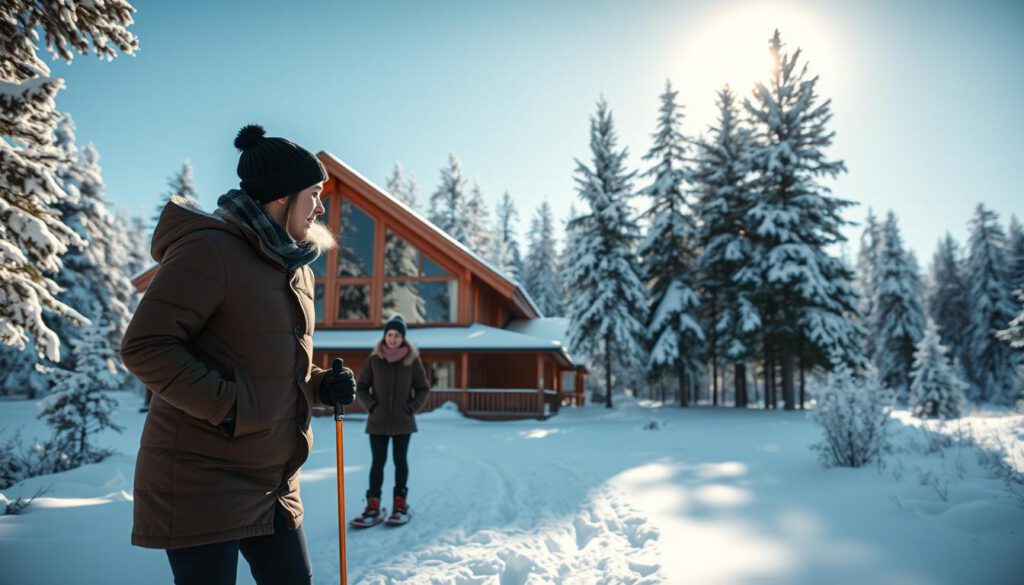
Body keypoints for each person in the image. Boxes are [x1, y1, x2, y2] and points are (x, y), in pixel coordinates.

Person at [120, 124, 357, 585]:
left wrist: (319, 384)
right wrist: (230, 408)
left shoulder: (294, 267)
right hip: (201, 480)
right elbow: (146, 346)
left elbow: (270, 367)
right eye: (313, 193)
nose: (321, 206)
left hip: (273, 481)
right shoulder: (210, 250)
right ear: (281, 197)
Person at [352, 314, 431, 525]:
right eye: (390, 334)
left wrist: (411, 407)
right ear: (384, 336)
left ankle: (400, 504)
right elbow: (361, 387)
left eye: (397, 335)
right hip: (377, 422)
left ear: (403, 338)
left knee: (400, 462)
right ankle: (373, 506)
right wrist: (372, 406)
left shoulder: (412, 361)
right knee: (377, 463)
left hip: (403, 422)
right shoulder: (374, 360)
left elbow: (423, 388)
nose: (393, 339)